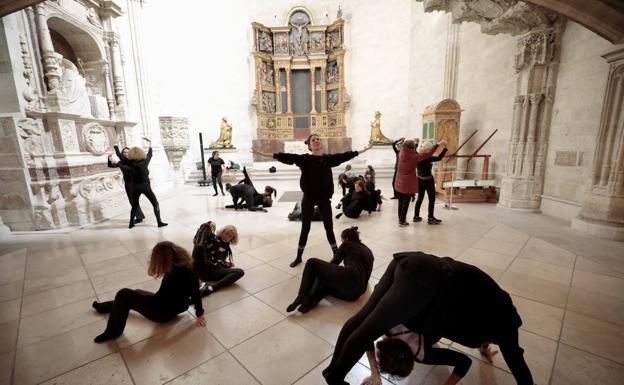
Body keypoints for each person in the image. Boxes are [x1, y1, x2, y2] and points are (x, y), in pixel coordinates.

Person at [322, 252, 533, 385]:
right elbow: (516, 361)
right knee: (366, 328)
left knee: (361, 320)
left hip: (411, 262)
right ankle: (334, 376)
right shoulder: (500, 325)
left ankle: (334, 373)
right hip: (427, 278)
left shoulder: (484, 315)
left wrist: (482, 344)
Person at [252, 134, 372, 267]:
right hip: (309, 198)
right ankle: (298, 257)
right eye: (313, 140)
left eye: (318, 139)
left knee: (329, 228)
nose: (316, 141)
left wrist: (363, 150)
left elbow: (345, 155)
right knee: (305, 228)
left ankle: (336, 255)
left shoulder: (328, 159)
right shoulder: (305, 159)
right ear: (309, 145)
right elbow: (285, 157)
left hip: (324, 198)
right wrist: (261, 153)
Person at [92, 241, 206, 343]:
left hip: (161, 313)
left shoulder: (173, 275)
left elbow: (158, 301)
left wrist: (142, 300)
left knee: (124, 294)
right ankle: (107, 306)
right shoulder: (187, 268)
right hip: (177, 307)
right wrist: (200, 314)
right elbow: (195, 291)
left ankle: (113, 332)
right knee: (135, 292)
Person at [286, 226, 373, 313]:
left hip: (351, 277)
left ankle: (302, 296)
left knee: (312, 263)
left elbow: (333, 263)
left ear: (346, 238)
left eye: (341, 240)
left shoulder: (347, 244)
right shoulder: (369, 251)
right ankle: (310, 301)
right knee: (325, 281)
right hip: (354, 295)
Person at [360, 325, 481, 385]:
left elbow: (464, 362)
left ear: (412, 365)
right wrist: (374, 372)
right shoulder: (386, 323)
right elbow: (364, 334)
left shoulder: (423, 354)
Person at [117, 137, 167, 228]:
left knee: (135, 206)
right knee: (155, 203)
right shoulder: (145, 161)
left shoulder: (129, 163)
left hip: (135, 187)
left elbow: (120, 156)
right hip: (145, 186)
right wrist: (150, 143)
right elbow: (150, 154)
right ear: (141, 153)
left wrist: (116, 146)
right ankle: (159, 222)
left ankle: (131, 223)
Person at [192, 221, 243, 297]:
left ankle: (210, 288)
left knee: (240, 272)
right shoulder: (212, 238)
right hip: (203, 267)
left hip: (215, 272)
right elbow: (201, 233)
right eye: (226, 234)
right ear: (222, 231)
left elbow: (218, 258)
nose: (227, 237)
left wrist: (226, 264)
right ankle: (199, 281)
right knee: (199, 247)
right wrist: (209, 224)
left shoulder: (226, 248)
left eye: (230, 236)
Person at [107, 143, 144, 224]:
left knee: (133, 201)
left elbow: (128, 169)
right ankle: (140, 216)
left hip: (135, 183)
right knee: (133, 200)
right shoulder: (122, 162)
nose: (126, 153)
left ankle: (139, 217)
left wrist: (115, 146)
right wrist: (109, 157)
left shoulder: (133, 161)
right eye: (124, 152)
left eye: (127, 152)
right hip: (128, 183)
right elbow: (111, 165)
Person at [414, 141, 448, 224]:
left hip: (419, 180)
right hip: (428, 180)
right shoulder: (427, 157)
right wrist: (445, 149)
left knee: (420, 198)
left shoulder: (418, 155)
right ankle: (430, 218)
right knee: (432, 199)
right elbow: (439, 158)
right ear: (428, 149)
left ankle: (416, 216)